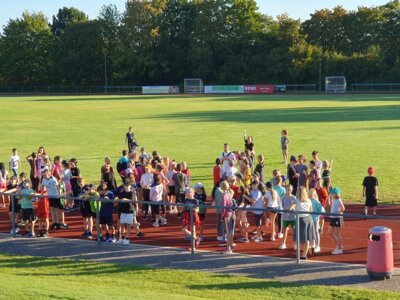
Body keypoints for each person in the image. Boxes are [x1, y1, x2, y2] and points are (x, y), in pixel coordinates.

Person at [290, 187, 315, 260]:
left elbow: (291, 207)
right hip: (308, 219)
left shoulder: (296, 200)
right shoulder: (309, 200)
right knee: (305, 238)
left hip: (301, 219)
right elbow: (311, 210)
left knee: (300, 239)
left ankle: (304, 254)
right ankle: (306, 251)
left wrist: (293, 209)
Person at [279, 185, 297, 250]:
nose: (289, 191)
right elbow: (282, 206)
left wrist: (290, 208)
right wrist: (285, 208)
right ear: (285, 189)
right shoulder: (283, 197)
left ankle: (296, 244)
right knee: (284, 230)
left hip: (293, 217)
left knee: (295, 230)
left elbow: (296, 205)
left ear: (292, 190)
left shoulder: (294, 198)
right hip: (285, 216)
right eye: (288, 189)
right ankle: (283, 243)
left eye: (290, 189)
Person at [220, 181, 236, 254]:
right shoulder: (229, 193)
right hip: (231, 213)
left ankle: (228, 248)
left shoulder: (224, 195)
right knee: (230, 232)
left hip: (227, 215)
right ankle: (230, 246)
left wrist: (222, 216)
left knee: (228, 232)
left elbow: (223, 207)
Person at [328, 187, 345, 255]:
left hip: (337, 218)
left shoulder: (338, 200)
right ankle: (339, 246)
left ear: (336, 194)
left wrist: (338, 211)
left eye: (332, 194)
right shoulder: (333, 199)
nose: (331, 195)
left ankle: (339, 248)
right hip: (333, 217)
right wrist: (329, 197)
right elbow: (329, 204)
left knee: (337, 233)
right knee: (330, 233)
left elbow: (343, 208)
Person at [309, 189, 325, 253]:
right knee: (311, 233)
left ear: (314, 195)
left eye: (311, 194)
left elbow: (322, 210)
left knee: (316, 232)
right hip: (309, 219)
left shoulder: (316, 202)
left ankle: (317, 246)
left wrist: (317, 215)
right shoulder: (308, 200)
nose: (309, 195)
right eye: (309, 194)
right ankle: (313, 245)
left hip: (315, 220)